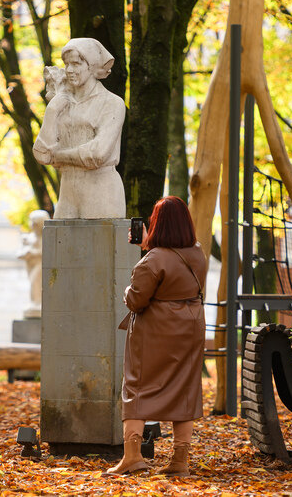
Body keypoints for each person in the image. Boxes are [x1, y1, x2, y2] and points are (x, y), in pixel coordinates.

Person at [107, 196, 207, 476]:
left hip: (155, 330)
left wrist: (129, 287)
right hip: (191, 326)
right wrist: (148, 246)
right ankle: (179, 462)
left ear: (157, 224)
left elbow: (136, 300)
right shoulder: (197, 253)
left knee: (138, 387)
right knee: (185, 389)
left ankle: (132, 456)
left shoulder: (153, 260)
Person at [33, 38, 126, 219]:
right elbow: (42, 154)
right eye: (66, 64)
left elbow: (97, 154)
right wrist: (52, 111)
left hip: (101, 193)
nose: (69, 70)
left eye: (76, 64)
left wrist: (58, 156)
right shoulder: (61, 103)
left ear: (92, 66)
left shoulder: (112, 103)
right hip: (68, 194)